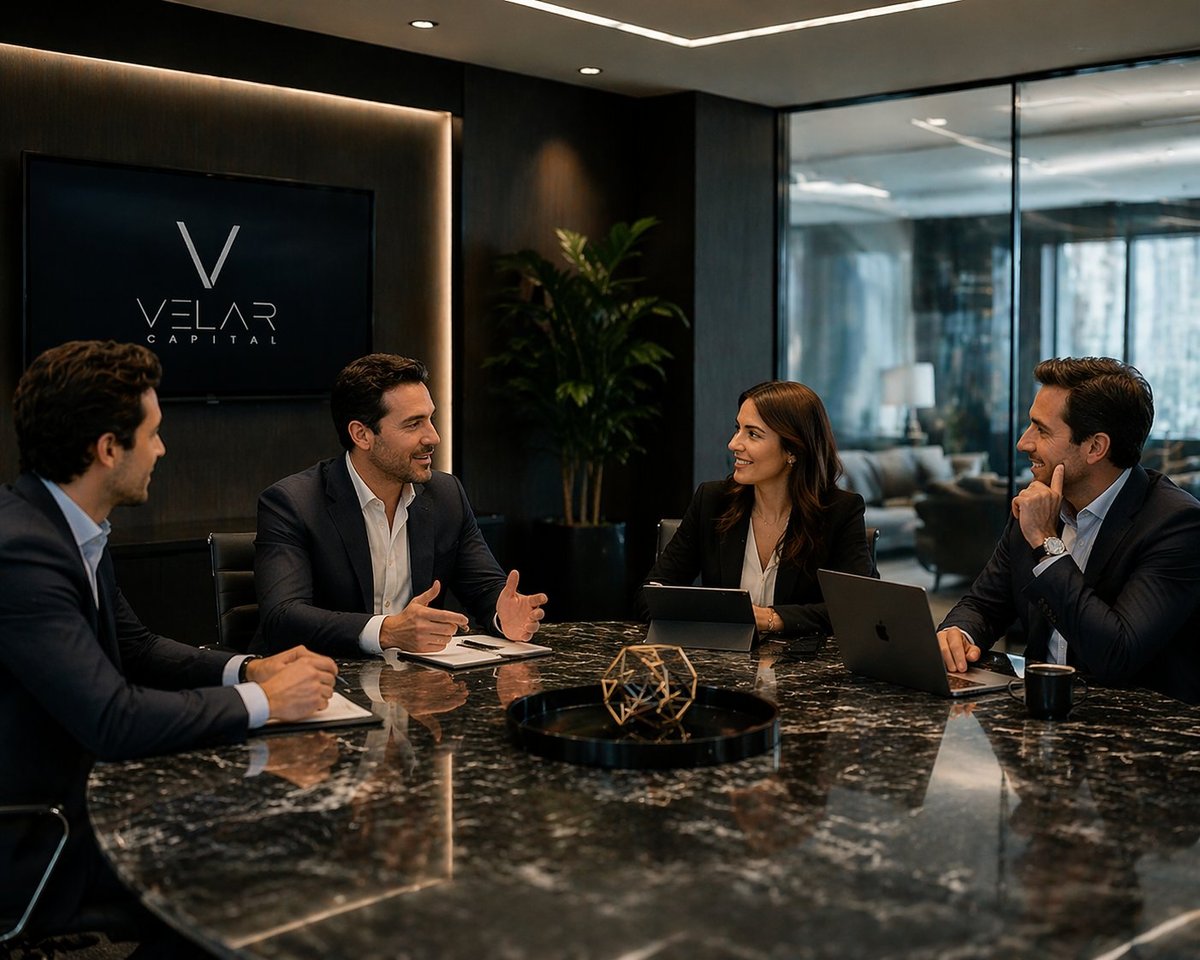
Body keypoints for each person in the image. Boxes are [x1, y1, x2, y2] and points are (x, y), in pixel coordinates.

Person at [0, 340, 337, 940]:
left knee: (286, 822)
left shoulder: (68, 527)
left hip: (88, 796)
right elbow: (113, 719)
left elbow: (137, 648)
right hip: (40, 841)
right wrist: (266, 701)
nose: (161, 448)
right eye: (153, 434)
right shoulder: (22, 552)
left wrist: (248, 670)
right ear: (108, 449)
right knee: (276, 853)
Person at [937, 357, 1200, 704]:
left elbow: (1117, 654)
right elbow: (984, 604)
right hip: (1039, 710)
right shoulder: (1040, 503)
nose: (1023, 443)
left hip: (1134, 722)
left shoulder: (1176, 524)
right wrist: (958, 633)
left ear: (1095, 447)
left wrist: (1047, 543)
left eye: (1041, 430)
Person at [252, 353, 547, 658]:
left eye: (430, 418)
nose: (433, 436)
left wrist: (504, 615)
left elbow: (485, 589)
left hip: (416, 679)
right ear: (362, 435)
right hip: (320, 676)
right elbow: (283, 618)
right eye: (413, 424)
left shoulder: (446, 495)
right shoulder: (293, 503)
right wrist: (387, 631)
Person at [637, 380, 873, 637]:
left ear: (793, 450)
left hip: (801, 660)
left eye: (753, 434)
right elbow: (651, 595)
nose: (734, 444)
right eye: (738, 429)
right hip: (723, 659)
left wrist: (772, 618)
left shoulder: (840, 511)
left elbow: (859, 609)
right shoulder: (713, 501)